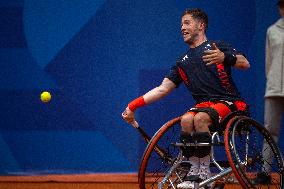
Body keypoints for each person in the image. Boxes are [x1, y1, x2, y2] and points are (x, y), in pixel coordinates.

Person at [122, 8, 250, 189]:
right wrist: (132, 106)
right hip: (204, 107)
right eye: (181, 24)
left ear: (201, 25)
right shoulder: (182, 61)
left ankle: (205, 175)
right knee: (187, 119)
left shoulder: (217, 46)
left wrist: (224, 57)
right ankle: (193, 173)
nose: (182, 27)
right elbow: (162, 89)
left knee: (199, 118)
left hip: (231, 104)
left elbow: (245, 63)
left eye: (187, 23)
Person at [254, 0, 284, 184]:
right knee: (269, 131)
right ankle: (265, 172)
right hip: (274, 89)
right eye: (282, 5)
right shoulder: (272, 31)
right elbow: (268, 61)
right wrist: (272, 80)